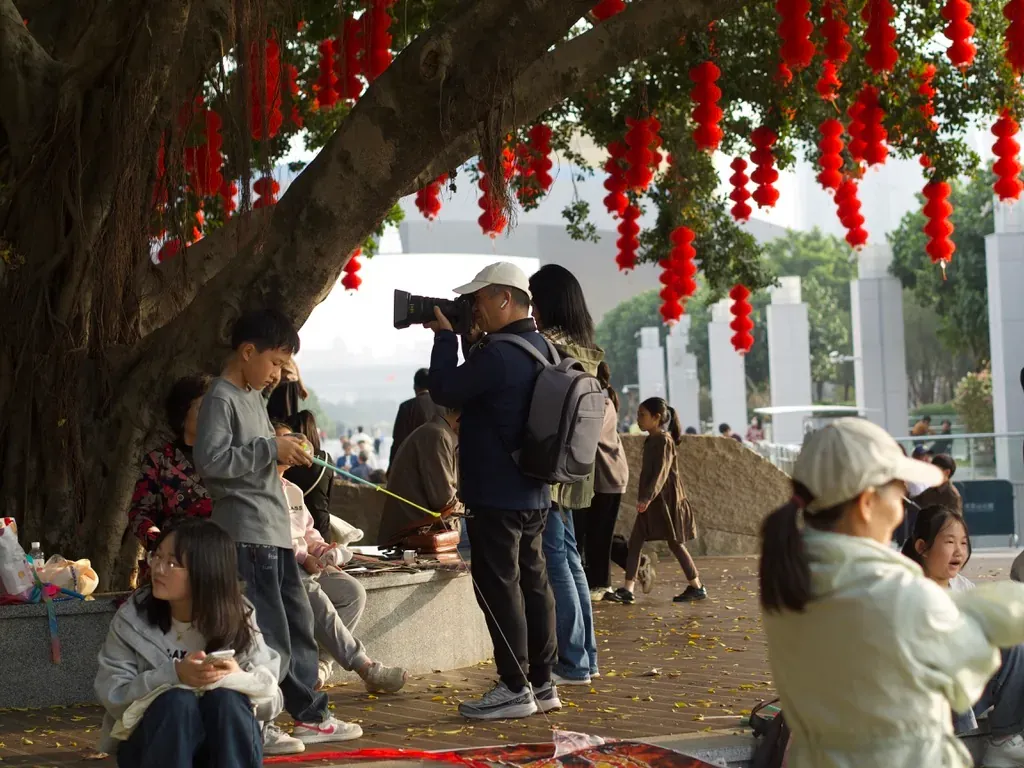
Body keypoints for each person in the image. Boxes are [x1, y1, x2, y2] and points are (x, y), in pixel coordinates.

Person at [759, 416, 1024, 768]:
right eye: (900, 496)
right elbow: (967, 672)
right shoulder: (888, 589)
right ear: (867, 503)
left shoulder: (790, 577)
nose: (901, 511)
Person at [194, 308, 360, 749]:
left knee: (298, 625)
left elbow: (259, 454)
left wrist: (286, 450)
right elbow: (212, 464)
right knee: (264, 633)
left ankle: (309, 714)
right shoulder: (221, 398)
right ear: (247, 352)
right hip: (246, 533)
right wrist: (271, 447)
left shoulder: (252, 395)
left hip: (275, 531)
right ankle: (259, 720)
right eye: (275, 363)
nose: (277, 374)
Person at [426, 261, 559, 720]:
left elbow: (443, 389)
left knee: (499, 587)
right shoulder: (543, 348)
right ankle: (542, 682)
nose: (472, 309)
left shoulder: (498, 355)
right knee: (533, 582)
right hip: (535, 492)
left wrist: (445, 338)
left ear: (504, 298)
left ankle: (513, 685)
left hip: (496, 494)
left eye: (477, 300)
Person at [95, 519, 284, 767]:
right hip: (153, 747)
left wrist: (239, 678)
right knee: (177, 702)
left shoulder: (237, 615)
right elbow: (113, 694)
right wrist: (174, 675)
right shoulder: (133, 618)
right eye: (157, 557)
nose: (158, 569)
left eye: (172, 563)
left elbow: (273, 701)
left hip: (221, 747)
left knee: (227, 699)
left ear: (205, 571)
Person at [272, 423, 407, 695]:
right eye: (283, 439)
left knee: (352, 592)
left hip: (304, 561)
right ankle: (364, 666)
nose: (293, 444)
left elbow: (308, 533)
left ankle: (322, 664)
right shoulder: (258, 487)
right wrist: (304, 557)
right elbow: (272, 535)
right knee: (312, 591)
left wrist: (325, 551)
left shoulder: (293, 490)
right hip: (278, 563)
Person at [526, 264, 603, 686]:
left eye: (534, 299)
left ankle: (572, 661)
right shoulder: (586, 346)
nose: (531, 308)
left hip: (551, 468)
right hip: (578, 469)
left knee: (557, 560)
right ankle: (586, 657)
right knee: (571, 560)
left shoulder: (550, 346)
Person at [904, 506, 1024, 765]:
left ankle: (1004, 739)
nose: (959, 551)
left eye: (964, 542)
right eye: (949, 542)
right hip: (925, 697)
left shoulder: (963, 587)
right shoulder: (907, 590)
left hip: (967, 690)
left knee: (1014, 642)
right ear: (922, 546)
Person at [607, 397, 704, 604]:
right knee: (634, 543)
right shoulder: (652, 439)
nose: (638, 419)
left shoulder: (663, 440)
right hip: (652, 502)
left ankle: (697, 586)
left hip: (664, 503)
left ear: (656, 417)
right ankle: (628, 589)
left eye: (642, 415)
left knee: (675, 543)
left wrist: (647, 497)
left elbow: (661, 472)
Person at [128, 374, 213, 582]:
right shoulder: (160, 461)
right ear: (183, 413)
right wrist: (163, 545)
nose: (213, 415)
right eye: (204, 408)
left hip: (219, 562)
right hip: (171, 565)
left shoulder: (231, 459)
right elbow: (140, 514)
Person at [575, 361, 630, 600]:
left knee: (600, 534)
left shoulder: (602, 403)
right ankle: (599, 580)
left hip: (609, 477)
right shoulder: (601, 400)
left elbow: (590, 433)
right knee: (593, 532)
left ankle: (601, 584)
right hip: (601, 477)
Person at [377, 407, 462, 547]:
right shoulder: (437, 435)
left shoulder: (438, 433)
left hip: (424, 527)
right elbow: (444, 502)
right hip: (414, 533)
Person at [284, 410, 334, 541]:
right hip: (321, 529)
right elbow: (328, 498)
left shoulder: (286, 461)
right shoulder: (326, 458)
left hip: (295, 532)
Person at [389, 368, 438, 469]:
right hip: (441, 464)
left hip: (413, 467)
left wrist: (391, 468)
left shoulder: (406, 407)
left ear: (415, 387)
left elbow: (398, 440)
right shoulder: (445, 407)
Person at [267, 356, 308, 424]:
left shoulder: (288, 357)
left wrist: (301, 386)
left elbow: (295, 366)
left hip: (289, 384)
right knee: (279, 415)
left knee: (288, 415)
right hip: (282, 385)